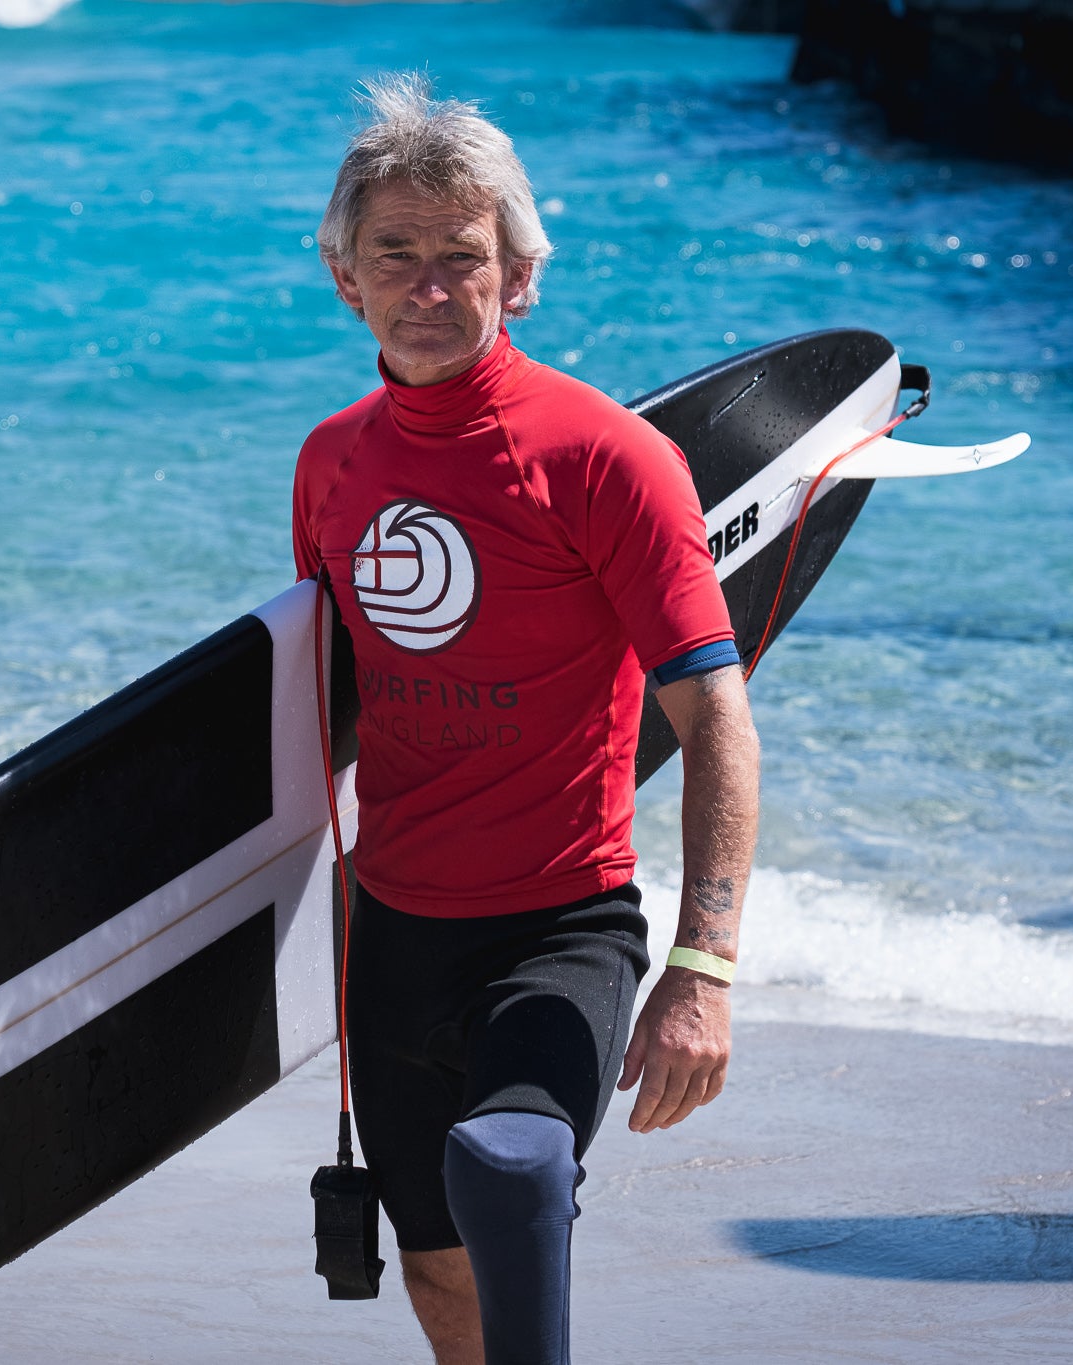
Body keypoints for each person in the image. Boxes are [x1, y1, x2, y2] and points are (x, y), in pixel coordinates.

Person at [292, 75, 762, 1365]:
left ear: (521, 277)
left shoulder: (605, 459)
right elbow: (331, 705)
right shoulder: (331, 462)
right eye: (397, 253)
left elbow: (716, 720)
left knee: (507, 1170)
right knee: (437, 1268)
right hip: (392, 934)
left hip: (563, 922)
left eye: (464, 256)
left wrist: (704, 971)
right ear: (347, 275)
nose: (429, 285)